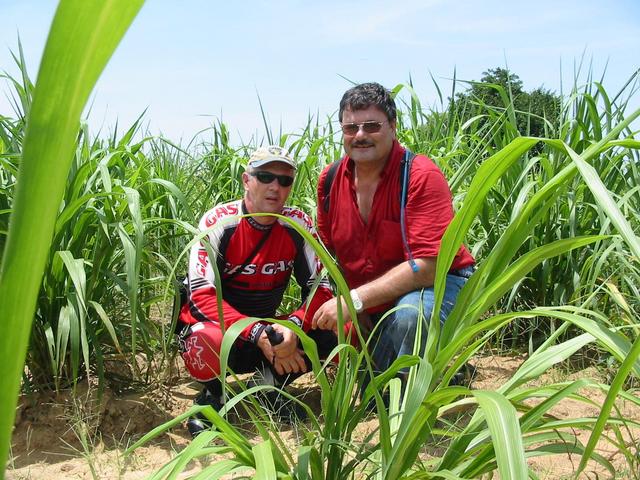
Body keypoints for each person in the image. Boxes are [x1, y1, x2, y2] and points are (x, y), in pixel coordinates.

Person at [312, 82, 475, 380]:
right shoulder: (330, 179)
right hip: (371, 294)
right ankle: (434, 369)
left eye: (372, 126)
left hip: (435, 285)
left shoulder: (419, 175)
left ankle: (417, 384)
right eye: (351, 128)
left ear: (393, 127)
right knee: (342, 351)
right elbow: (327, 252)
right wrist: (354, 305)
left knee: (411, 317)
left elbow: (429, 267)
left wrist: (356, 300)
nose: (360, 135)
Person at [177, 145, 336, 437]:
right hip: (225, 333)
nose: (275, 187)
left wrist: (293, 327)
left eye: (285, 180)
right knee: (202, 336)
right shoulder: (219, 223)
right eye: (265, 176)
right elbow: (200, 295)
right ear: (246, 180)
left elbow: (322, 288)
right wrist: (256, 332)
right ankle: (213, 397)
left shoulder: (297, 224)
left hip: (270, 335)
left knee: (335, 322)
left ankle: (266, 389)